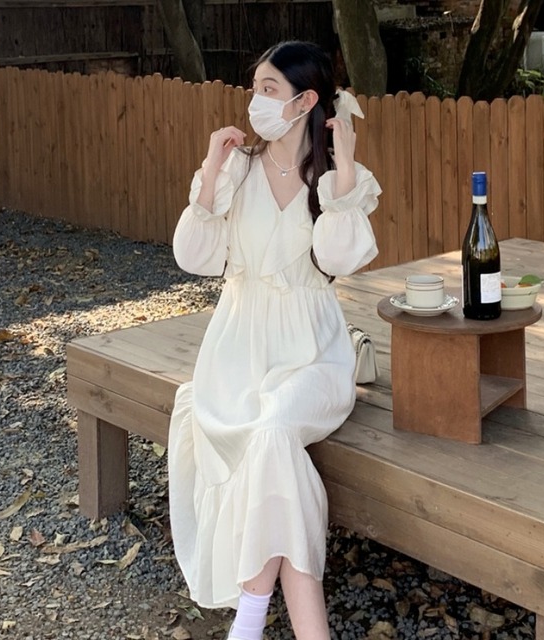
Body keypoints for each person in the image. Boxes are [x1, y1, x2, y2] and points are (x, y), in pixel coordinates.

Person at [168, 40, 381, 640]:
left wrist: (342, 169)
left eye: (268, 90)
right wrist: (211, 171)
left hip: (313, 355)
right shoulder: (237, 170)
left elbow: (339, 259)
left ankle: (249, 620)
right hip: (236, 353)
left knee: (273, 431)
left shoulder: (340, 178)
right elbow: (194, 257)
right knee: (273, 451)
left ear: (305, 101)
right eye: (254, 88)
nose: (254, 101)